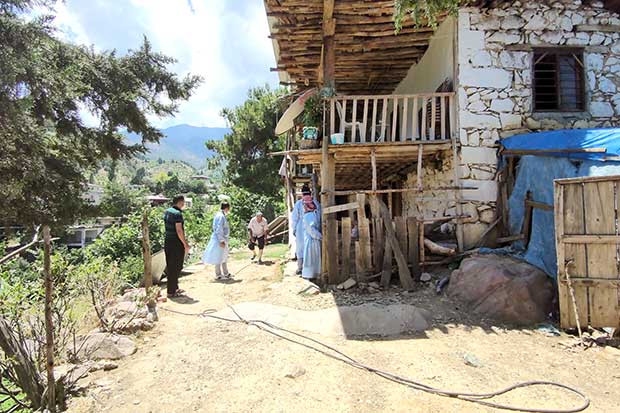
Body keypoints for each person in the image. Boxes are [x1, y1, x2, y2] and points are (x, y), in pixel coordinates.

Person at [164, 195, 190, 298]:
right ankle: (171, 291)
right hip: (176, 242)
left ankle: (174, 288)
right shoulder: (177, 214)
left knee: (171, 265)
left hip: (168, 241)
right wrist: (185, 244)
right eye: (183, 202)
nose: (184, 204)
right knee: (176, 266)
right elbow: (179, 230)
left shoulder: (168, 211)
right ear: (180, 202)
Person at [291, 184, 321, 275]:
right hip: (312, 225)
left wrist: (294, 229)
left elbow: (294, 217)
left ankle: (301, 268)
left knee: (301, 247)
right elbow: (319, 215)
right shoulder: (315, 203)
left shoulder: (299, 203)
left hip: (301, 226)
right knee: (309, 248)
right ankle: (310, 269)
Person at [202, 202, 232, 280]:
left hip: (222, 239)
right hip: (219, 239)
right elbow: (219, 229)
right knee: (218, 257)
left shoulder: (221, 215)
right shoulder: (220, 216)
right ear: (227, 208)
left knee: (224, 256)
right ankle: (218, 274)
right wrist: (221, 240)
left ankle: (226, 273)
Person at [301, 200, 322, 280]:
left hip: (313, 240)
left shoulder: (310, 215)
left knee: (312, 258)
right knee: (311, 258)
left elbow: (312, 228)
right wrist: (320, 236)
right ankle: (309, 275)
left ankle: (313, 275)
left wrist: (319, 236)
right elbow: (311, 230)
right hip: (312, 240)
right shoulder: (310, 215)